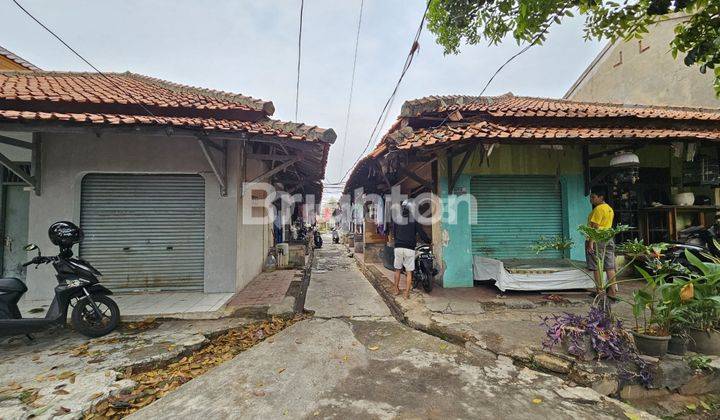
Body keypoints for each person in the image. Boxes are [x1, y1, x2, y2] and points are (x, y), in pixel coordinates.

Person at [392, 200, 431, 299]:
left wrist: (398, 239)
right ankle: (406, 293)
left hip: (398, 247)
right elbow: (421, 233)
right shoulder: (414, 220)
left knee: (397, 270)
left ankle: (396, 289)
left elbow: (394, 233)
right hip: (409, 248)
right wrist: (428, 241)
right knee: (409, 272)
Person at [586, 191, 617, 299]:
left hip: (598, 240)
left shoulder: (598, 209)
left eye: (593, 197)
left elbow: (595, 227)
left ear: (601, 197)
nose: (591, 199)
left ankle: (600, 291)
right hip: (608, 238)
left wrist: (590, 242)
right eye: (590, 197)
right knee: (610, 266)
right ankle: (613, 292)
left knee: (596, 266)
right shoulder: (609, 209)